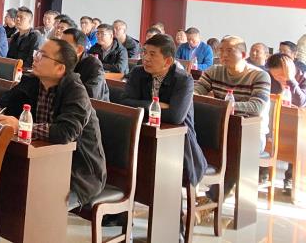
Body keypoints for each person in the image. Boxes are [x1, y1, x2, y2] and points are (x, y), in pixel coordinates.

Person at [0, 39, 106, 211]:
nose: (35, 58)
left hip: (77, 174)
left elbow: (66, 132)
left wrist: (21, 126)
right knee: (2, 189)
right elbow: (4, 101)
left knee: (36, 204)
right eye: (37, 53)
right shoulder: (32, 81)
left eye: (42, 56)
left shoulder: (76, 91)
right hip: (40, 164)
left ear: (60, 68)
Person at [118, 34, 207, 241]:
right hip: (145, 135)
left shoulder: (183, 80)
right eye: (144, 53)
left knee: (166, 174)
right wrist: (157, 106)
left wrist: (143, 105)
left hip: (180, 143)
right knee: (125, 162)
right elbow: (124, 102)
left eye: (152, 54)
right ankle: (122, 218)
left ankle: (173, 230)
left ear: (167, 61)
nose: (146, 58)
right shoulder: (138, 72)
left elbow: (176, 116)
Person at [195, 35, 271, 199]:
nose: (223, 55)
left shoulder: (259, 76)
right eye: (221, 50)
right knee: (188, 141)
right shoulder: (214, 71)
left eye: (229, 51)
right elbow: (195, 94)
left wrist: (224, 107)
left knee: (234, 152)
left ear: (243, 54)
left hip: (251, 134)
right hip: (220, 129)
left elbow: (257, 107)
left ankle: (212, 199)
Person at [266, 53, 306, 195]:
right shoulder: (268, 77)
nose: (280, 79)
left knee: (295, 143)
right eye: (276, 76)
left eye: (282, 75)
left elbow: (301, 102)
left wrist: (290, 80)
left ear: (290, 69)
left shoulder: (302, 77)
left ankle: (290, 179)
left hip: (300, 126)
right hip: (274, 121)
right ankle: (262, 172)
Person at [61, 29, 109, 101]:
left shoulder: (94, 65)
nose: (59, 48)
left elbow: (91, 95)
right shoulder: (60, 60)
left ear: (79, 49)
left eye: (64, 45)